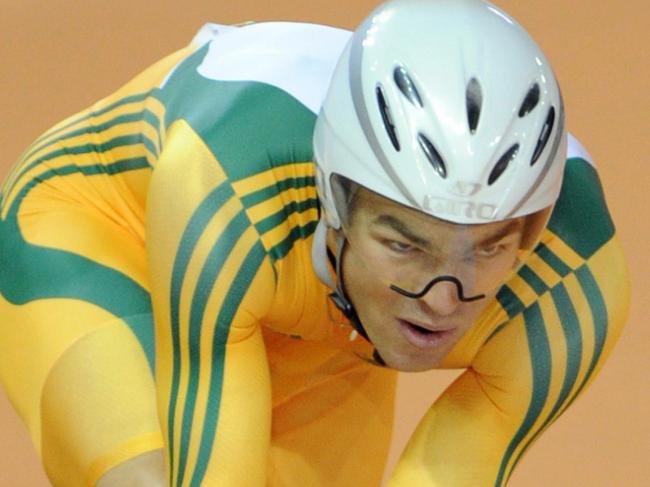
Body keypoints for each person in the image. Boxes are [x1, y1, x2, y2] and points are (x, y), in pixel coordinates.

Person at [0, 0, 629, 485]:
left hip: (317, 316)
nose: (443, 301)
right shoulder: (226, 182)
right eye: (407, 246)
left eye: (488, 248)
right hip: (112, 233)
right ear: (336, 200)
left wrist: (401, 262)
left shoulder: (576, 279)